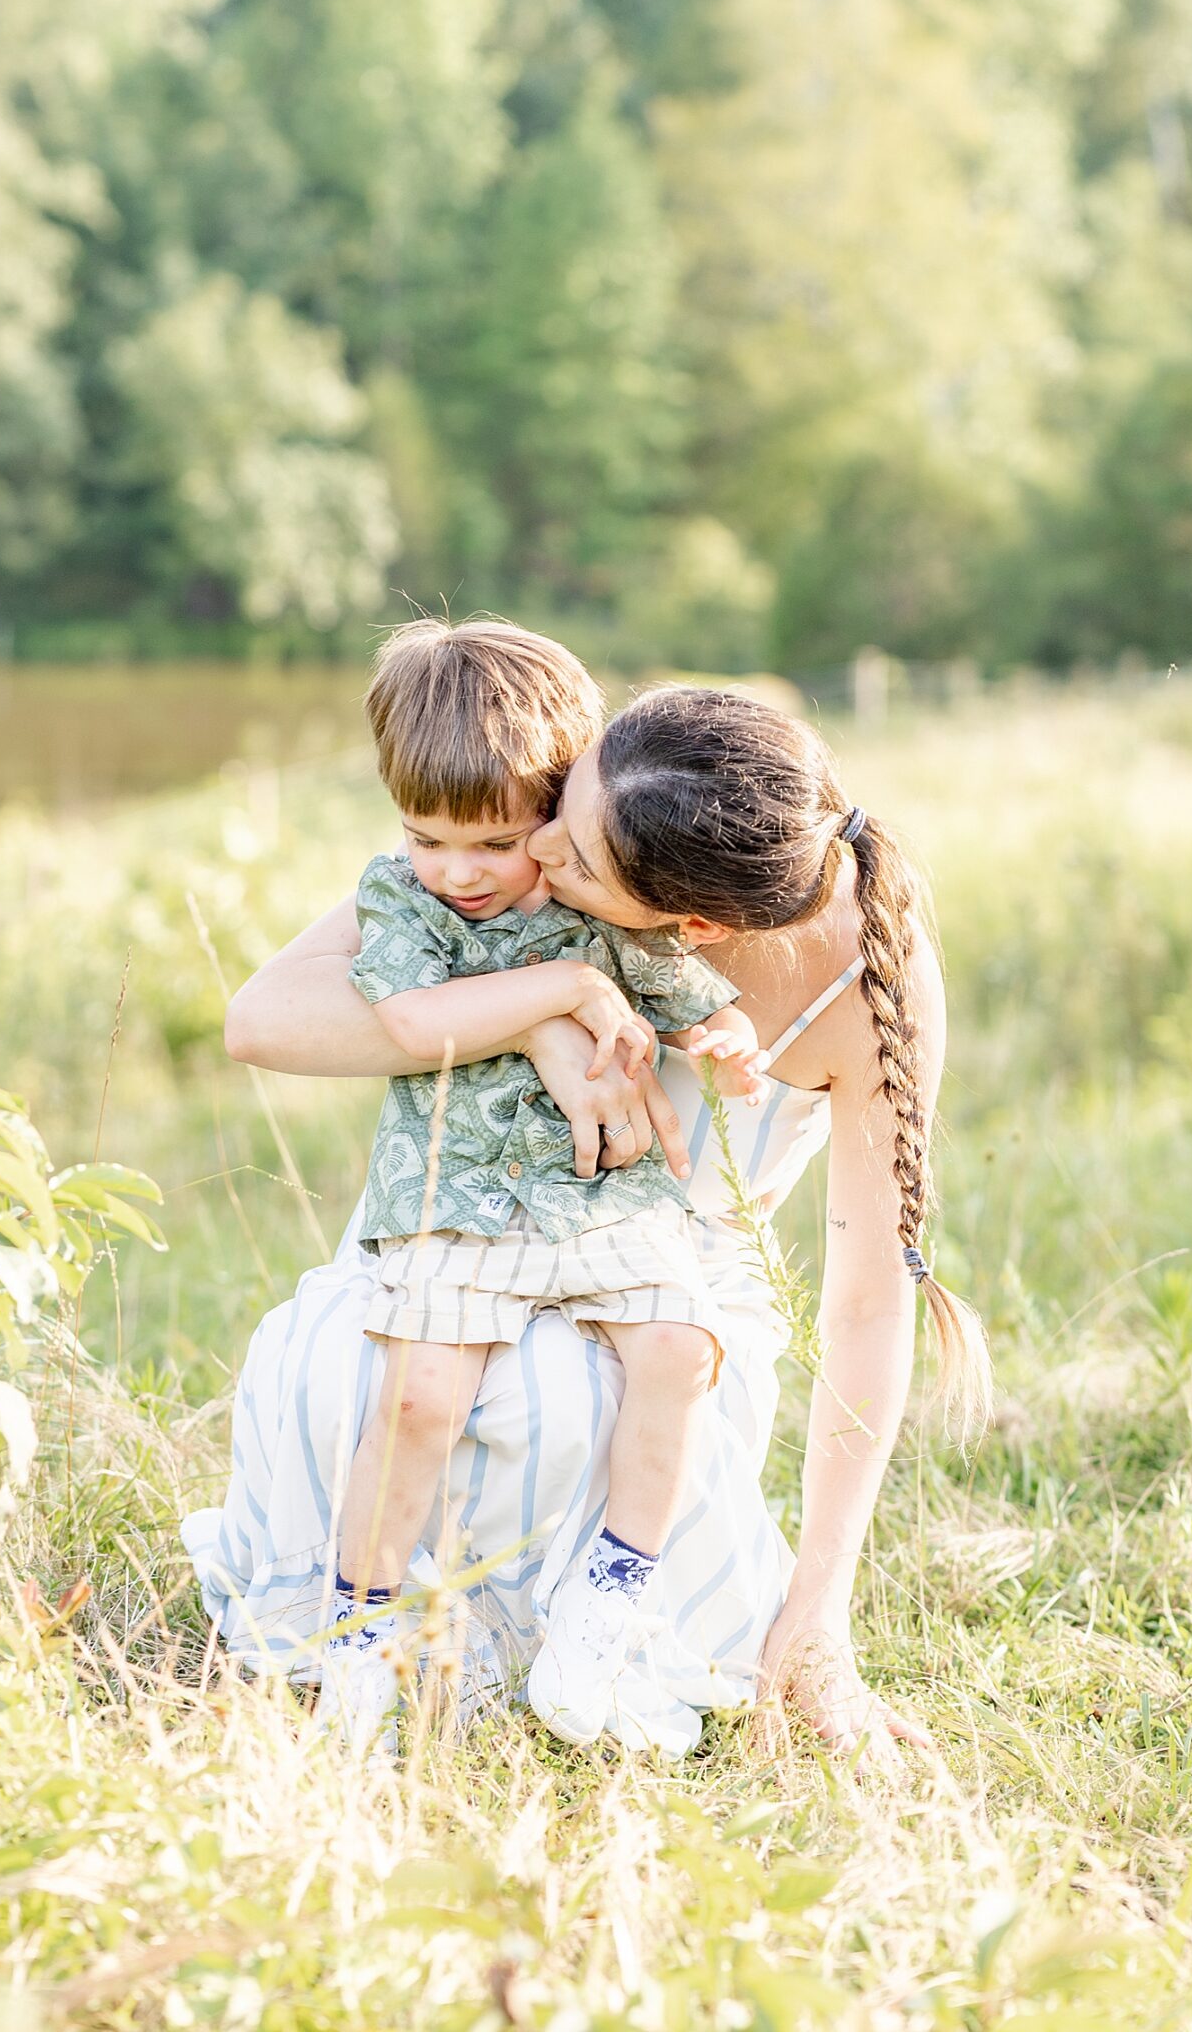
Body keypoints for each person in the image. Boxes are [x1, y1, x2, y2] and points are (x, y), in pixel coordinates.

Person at [184, 665, 989, 1759]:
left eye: (572, 856)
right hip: (479, 1231)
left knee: (574, 1401)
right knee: (383, 1377)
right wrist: (537, 1018)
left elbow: (866, 1303)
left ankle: (582, 1629)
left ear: (688, 924)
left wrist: (821, 1615)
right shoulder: (568, 823)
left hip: (667, 1275)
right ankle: (377, 1635)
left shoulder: (858, 976)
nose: (541, 850)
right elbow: (265, 1017)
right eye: (560, 808)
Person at [318, 620, 765, 1747]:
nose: (459, 871)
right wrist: (562, 991)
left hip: (603, 1194)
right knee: (420, 1398)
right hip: (457, 1196)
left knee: (681, 1350)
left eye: (496, 842)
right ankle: (358, 1629)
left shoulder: (597, 891)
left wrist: (726, 1041)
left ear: (559, 809)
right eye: (426, 836)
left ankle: (609, 1596)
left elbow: (688, 996)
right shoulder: (404, 900)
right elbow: (412, 1018)